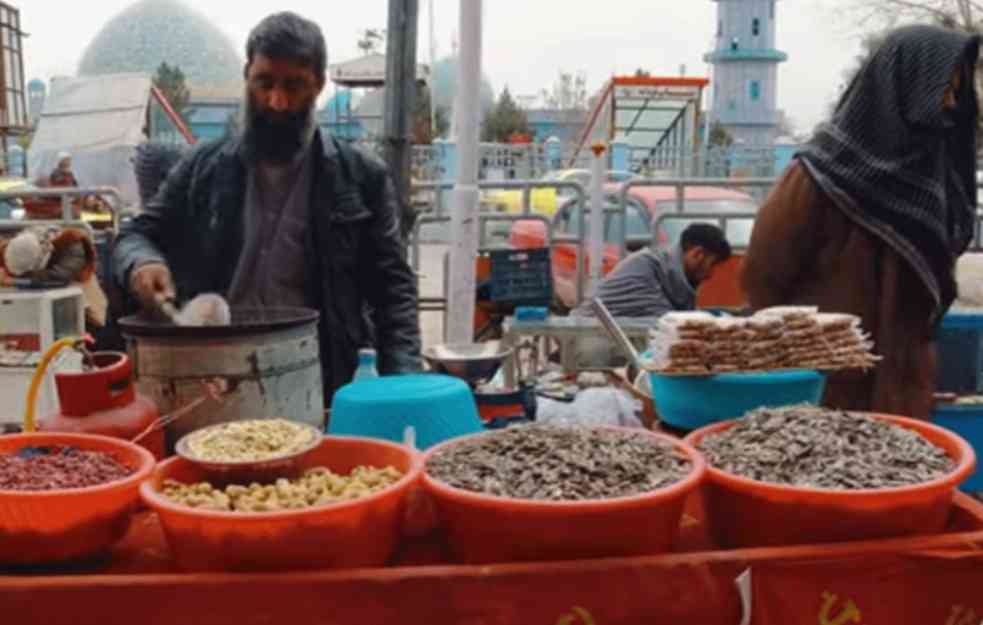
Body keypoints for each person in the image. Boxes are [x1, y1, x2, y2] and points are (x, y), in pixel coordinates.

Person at [113, 12, 422, 401]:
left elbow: (393, 290)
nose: (277, 102)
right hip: (212, 376)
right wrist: (144, 264)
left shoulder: (361, 177)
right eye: (265, 83)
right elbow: (135, 235)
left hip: (320, 376)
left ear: (319, 85)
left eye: (295, 86)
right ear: (247, 76)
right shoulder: (201, 168)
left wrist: (404, 389)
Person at [741, 25, 980, 420]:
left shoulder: (932, 179)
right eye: (943, 88)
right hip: (827, 389)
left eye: (957, 89)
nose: (953, 102)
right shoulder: (821, 175)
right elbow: (763, 276)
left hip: (903, 386)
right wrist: (810, 349)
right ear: (902, 85)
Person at [572, 223, 732, 366]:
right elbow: (668, 323)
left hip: (624, 332)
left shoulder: (672, 273)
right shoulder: (645, 266)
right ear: (697, 254)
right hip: (588, 336)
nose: (710, 274)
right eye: (712, 264)